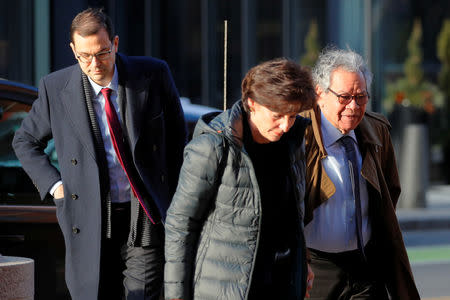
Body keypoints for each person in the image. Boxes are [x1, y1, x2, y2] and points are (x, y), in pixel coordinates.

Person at [13, 8, 187, 300]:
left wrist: (173, 195)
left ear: (115, 44)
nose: (94, 64)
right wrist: (56, 187)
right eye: (84, 56)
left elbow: (178, 139)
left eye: (103, 53)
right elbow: (25, 141)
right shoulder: (55, 88)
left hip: (143, 213)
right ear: (73, 50)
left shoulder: (153, 74)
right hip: (89, 215)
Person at [164, 58, 315, 300]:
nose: (286, 125)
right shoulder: (213, 146)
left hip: (282, 283)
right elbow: (181, 223)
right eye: (277, 115)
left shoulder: (293, 142)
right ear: (252, 103)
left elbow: (294, 213)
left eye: (293, 115)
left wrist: (302, 263)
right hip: (225, 287)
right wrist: (175, 295)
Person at [300, 47, 420, 299]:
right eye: (344, 97)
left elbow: (389, 191)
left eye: (361, 97)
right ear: (319, 93)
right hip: (315, 268)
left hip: (365, 264)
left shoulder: (377, 131)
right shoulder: (301, 135)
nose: (353, 106)